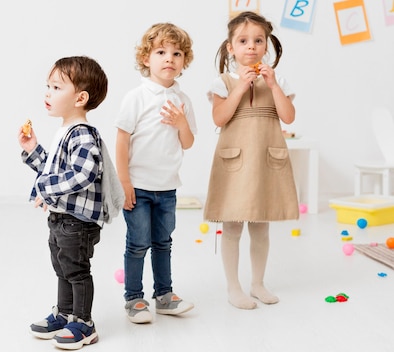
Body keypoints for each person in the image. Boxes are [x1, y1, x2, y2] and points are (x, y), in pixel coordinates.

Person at [203, 11, 299, 310]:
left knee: (261, 225)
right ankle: (234, 287)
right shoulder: (223, 82)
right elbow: (220, 117)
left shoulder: (277, 80)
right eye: (243, 41)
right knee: (232, 226)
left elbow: (288, 116)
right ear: (231, 47)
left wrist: (273, 86)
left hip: (265, 161)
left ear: (266, 45)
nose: (252, 47)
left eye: (258, 40)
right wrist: (242, 86)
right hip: (236, 162)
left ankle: (258, 283)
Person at [19, 56, 112, 350]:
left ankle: (83, 322)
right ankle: (65, 313)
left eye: (56, 87)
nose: (48, 93)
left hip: (77, 222)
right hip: (61, 219)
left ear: (80, 98)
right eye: (48, 86)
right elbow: (55, 171)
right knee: (62, 268)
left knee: (76, 270)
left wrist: (45, 189)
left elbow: (85, 173)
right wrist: (33, 150)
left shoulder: (82, 133)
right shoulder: (64, 131)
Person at [115, 23, 197, 324]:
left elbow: (187, 142)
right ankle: (134, 298)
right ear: (146, 58)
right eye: (161, 52)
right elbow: (122, 140)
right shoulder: (136, 97)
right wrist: (123, 181)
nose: (169, 58)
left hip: (167, 189)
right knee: (137, 244)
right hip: (137, 186)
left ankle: (164, 295)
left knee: (163, 243)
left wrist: (181, 123)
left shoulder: (183, 101)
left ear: (183, 61)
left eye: (176, 53)